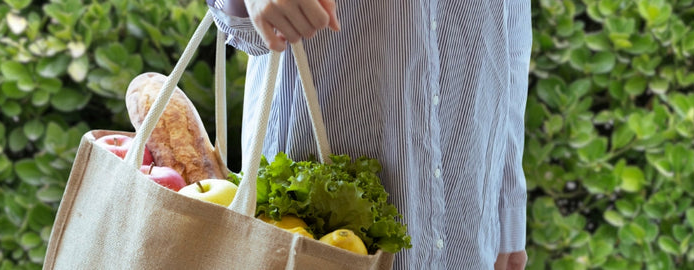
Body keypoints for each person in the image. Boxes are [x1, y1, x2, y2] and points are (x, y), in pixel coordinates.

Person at [205, 0, 529, 269]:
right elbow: (243, 25)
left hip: (468, 216)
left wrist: (508, 204)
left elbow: (510, 27)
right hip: (308, 209)